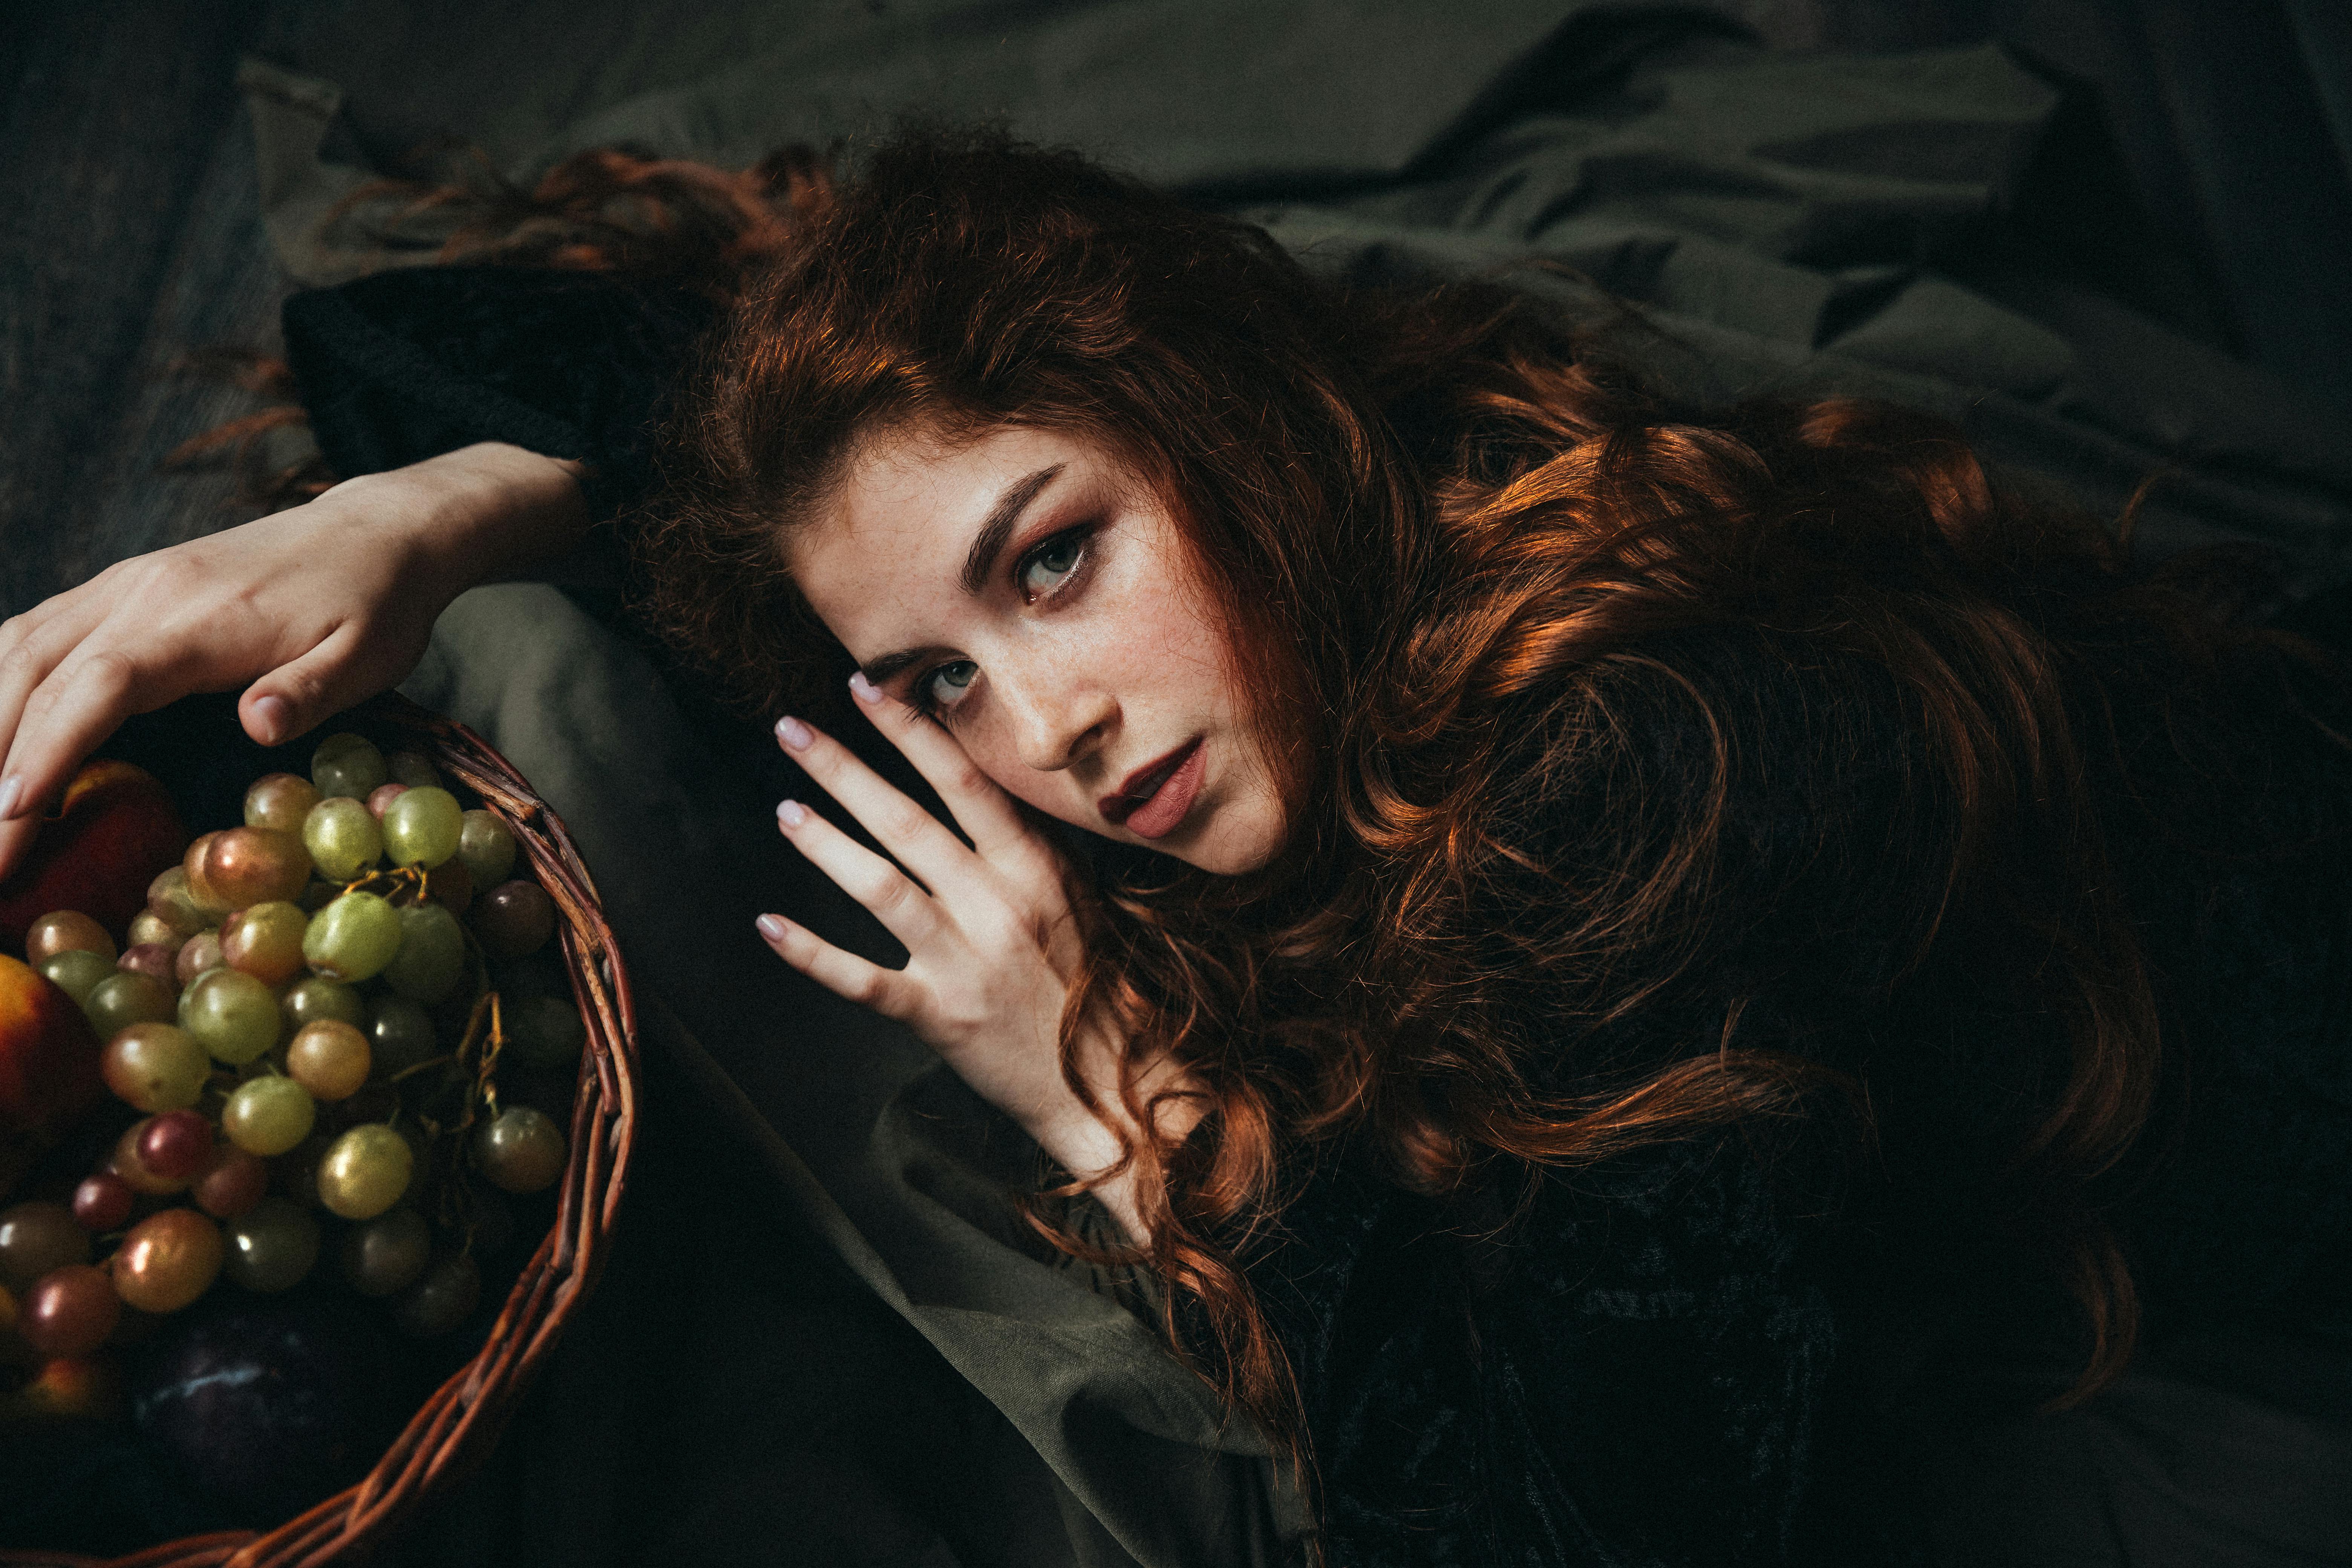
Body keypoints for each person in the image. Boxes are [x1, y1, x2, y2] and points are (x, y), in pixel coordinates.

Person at [3, 129, 2349, 1565]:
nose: (1051, 734)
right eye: (934, 680)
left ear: (1204, 420)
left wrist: (1133, 1116)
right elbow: (496, 347)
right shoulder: (1332, 523)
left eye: (1059, 560)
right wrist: (431, 514)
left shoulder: (1654, 793)